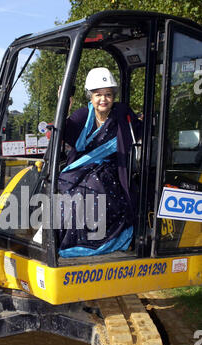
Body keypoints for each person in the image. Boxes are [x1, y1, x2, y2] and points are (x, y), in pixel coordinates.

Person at [57, 67, 142, 258]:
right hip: (80, 168)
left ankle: (100, 243)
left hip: (111, 169)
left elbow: (137, 128)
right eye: (98, 95)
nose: (103, 99)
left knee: (94, 186)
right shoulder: (82, 115)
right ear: (91, 97)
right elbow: (64, 131)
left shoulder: (121, 113)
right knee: (68, 189)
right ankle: (70, 243)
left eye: (108, 94)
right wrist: (64, 107)